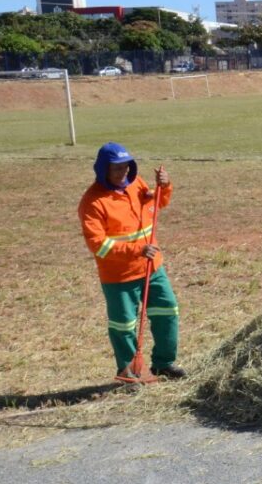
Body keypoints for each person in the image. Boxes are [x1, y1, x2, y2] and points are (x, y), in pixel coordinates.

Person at [78, 142, 186, 381]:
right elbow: (99, 245)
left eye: (126, 167)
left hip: (152, 267)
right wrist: (137, 250)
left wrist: (164, 187)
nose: (123, 172)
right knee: (124, 325)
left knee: (167, 311)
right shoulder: (93, 202)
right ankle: (130, 372)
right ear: (102, 169)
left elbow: (156, 205)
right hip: (119, 276)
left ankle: (163, 364)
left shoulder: (136, 184)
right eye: (116, 168)